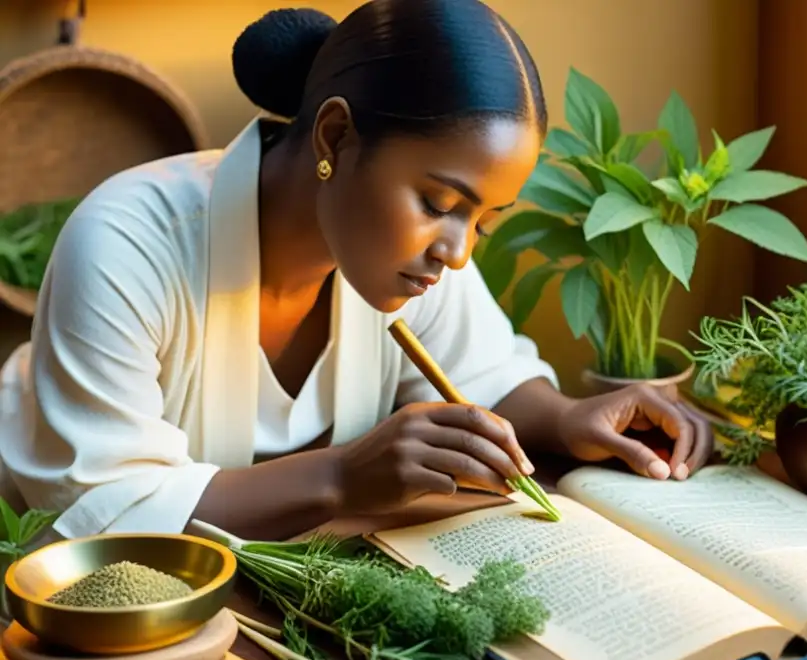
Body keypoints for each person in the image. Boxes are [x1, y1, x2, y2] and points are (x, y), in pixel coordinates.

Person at [0, 0, 712, 543]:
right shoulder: (127, 244)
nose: (459, 251)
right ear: (336, 136)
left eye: (484, 220)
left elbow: (485, 376)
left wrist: (569, 420)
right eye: (440, 203)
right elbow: (104, 509)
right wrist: (341, 477)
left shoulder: (400, 250)